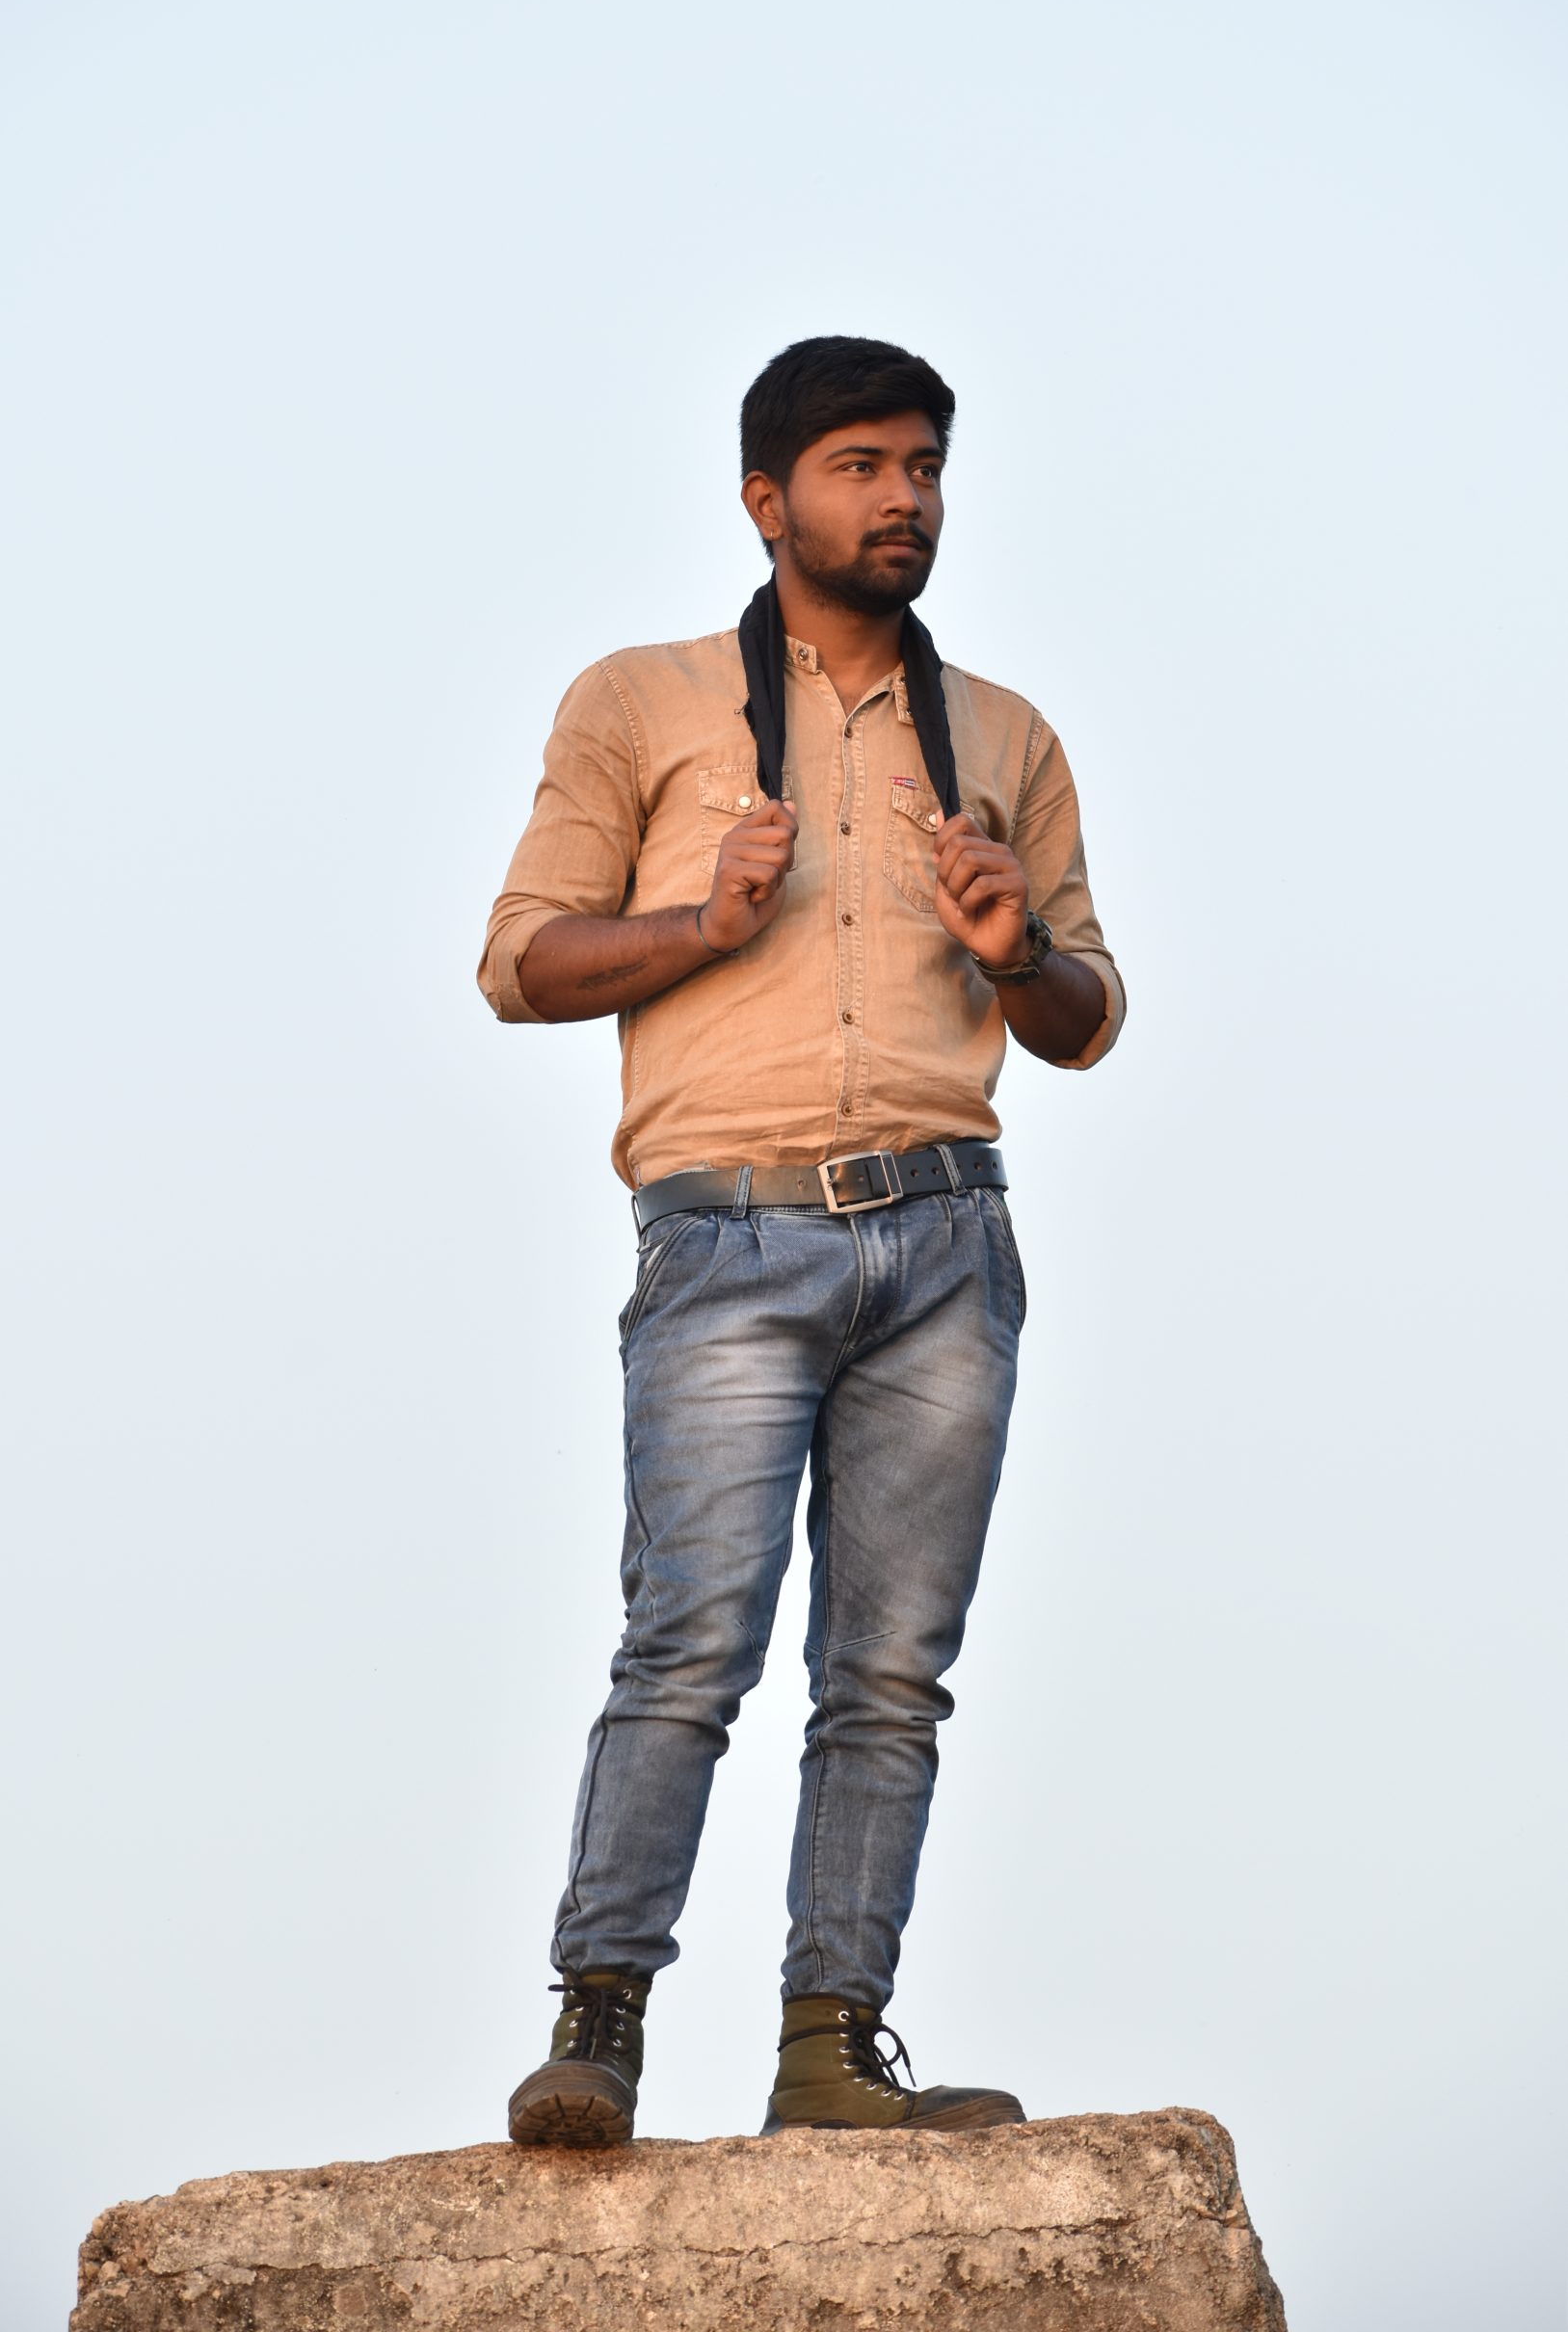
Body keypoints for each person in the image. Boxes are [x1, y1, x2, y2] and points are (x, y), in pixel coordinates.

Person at [478, 334, 1125, 2146]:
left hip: (943, 1238)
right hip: (729, 1235)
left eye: (922, 463)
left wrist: (1014, 950)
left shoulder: (1003, 735)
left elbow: (1088, 1014)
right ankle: (597, 2030)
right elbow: (521, 960)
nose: (902, 496)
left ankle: (831, 2052)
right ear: (767, 502)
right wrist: (701, 916)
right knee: (687, 1644)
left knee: (893, 1675)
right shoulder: (642, 702)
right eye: (859, 466)